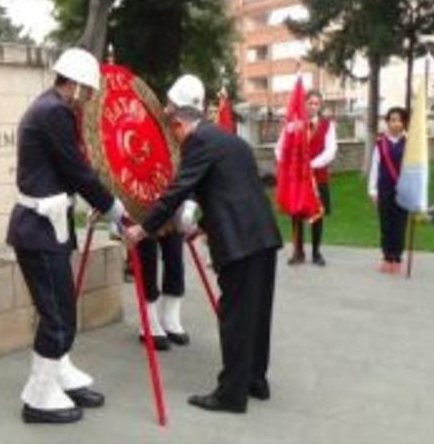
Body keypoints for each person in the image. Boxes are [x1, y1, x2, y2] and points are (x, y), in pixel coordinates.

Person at [124, 74, 282, 414]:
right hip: (263, 238)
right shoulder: (229, 140)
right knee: (256, 314)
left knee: (235, 316)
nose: (176, 138)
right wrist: (203, 227)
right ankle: (255, 380)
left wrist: (142, 230)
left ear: (182, 121)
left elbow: (177, 191)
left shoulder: (199, 142)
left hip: (239, 244)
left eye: (174, 129)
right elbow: (229, 191)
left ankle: (231, 395)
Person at [6, 47, 126, 424]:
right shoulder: (54, 111)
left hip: (46, 228)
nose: (89, 98)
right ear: (72, 84)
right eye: (87, 90)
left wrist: (90, 202)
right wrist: (116, 211)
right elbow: (78, 172)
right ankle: (39, 396)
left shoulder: (50, 106)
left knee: (57, 311)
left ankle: (57, 373)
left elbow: (66, 171)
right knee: (59, 318)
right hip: (40, 230)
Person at [275, 89, 337, 266]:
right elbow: (280, 147)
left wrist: (313, 164)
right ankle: (298, 251)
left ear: (320, 105)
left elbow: (331, 150)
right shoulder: (294, 124)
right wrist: (286, 163)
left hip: (318, 177)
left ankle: (316, 252)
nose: (313, 106)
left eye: (317, 103)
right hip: (298, 179)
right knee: (297, 213)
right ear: (304, 104)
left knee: (317, 214)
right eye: (310, 103)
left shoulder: (327, 125)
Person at [368, 107, 409, 274]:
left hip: (403, 191)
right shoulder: (380, 143)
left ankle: (397, 257)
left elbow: (415, 169)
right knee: (385, 224)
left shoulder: (409, 143)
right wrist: (373, 190)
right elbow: (375, 167)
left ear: (404, 122)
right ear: (387, 122)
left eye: (399, 120)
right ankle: (386, 256)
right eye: (392, 120)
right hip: (384, 189)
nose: (395, 123)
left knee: (400, 225)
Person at [137, 231, 189, 351]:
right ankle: (148, 322)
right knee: (147, 249)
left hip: (165, 214)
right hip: (135, 215)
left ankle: (170, 319)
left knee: (175, 248)